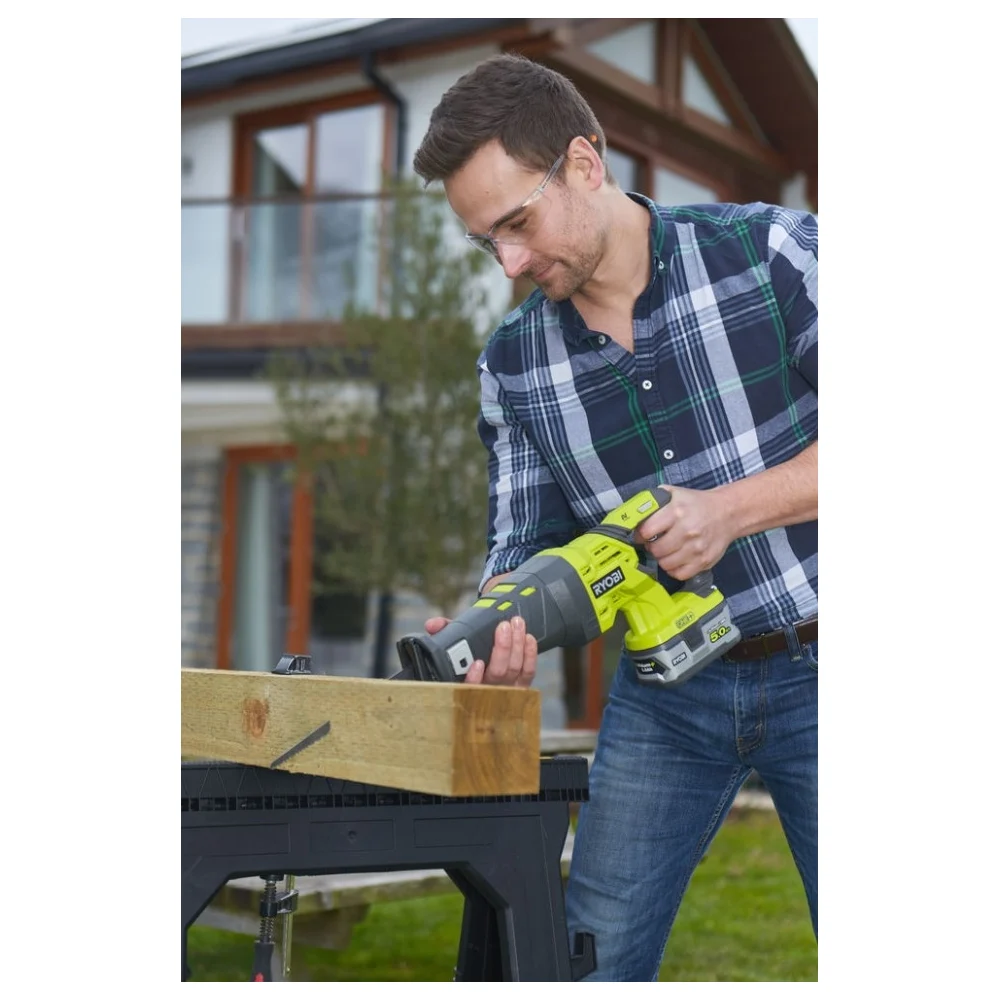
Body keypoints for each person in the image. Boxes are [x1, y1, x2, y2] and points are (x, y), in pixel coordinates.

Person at [413, 53, 817, 982]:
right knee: (586, 963)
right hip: (668, 701)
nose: (510, 263)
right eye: (486, 243)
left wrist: (729, 511)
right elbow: (522, 544)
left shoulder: (772, 253)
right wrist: (495, 629)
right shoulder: (512, 364)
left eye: (517, 224)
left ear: (584, 164)